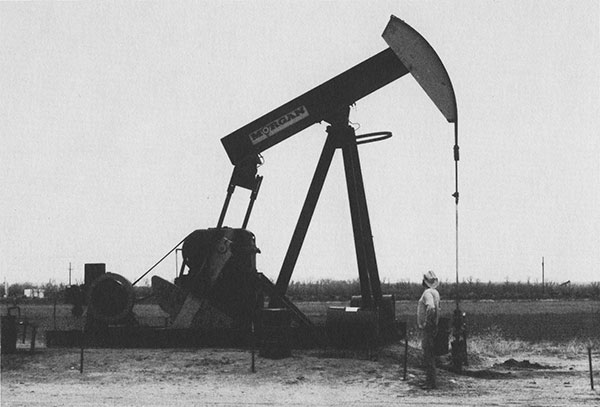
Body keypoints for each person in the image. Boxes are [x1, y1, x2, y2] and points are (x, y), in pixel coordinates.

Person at [417, 270, 441, 389]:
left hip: (428, 328)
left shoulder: (427, 293)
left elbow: (431, 308)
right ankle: (430, 381)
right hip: (433, 327)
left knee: (428, 354)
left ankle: (430, 383)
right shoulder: (435, 292)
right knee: (430, 354)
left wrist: (427, 323)